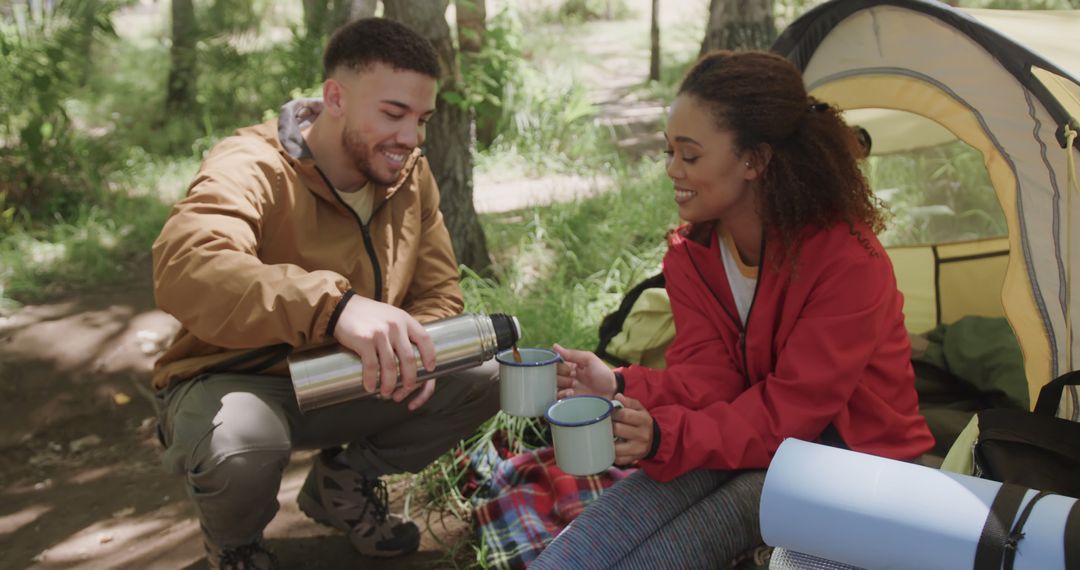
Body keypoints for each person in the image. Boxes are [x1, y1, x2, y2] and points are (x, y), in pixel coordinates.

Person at [531, 50, 935, 569]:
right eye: (668, 152)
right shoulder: (692, 255)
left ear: (754, 161)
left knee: (704, 518)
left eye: (691, 155)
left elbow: (789, 417)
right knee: (635, 505)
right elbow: (711, 380)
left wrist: (664, 435)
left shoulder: (849, 261)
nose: (672, 170)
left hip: (853, 459)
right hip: (758, 432)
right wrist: (618, 384)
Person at [150, 18, 500, 570]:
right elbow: (187, 264)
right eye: (392, 113)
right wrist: (334, 309)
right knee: (241, 445)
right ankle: (236, 545)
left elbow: (438, 291)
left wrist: (418, 348)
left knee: (484, 374)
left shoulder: (410, 173)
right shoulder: (252, 162)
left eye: (422, 118)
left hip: (353, 375)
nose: (411, 137)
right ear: (334, 97)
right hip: (240, 378)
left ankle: (342, 484)